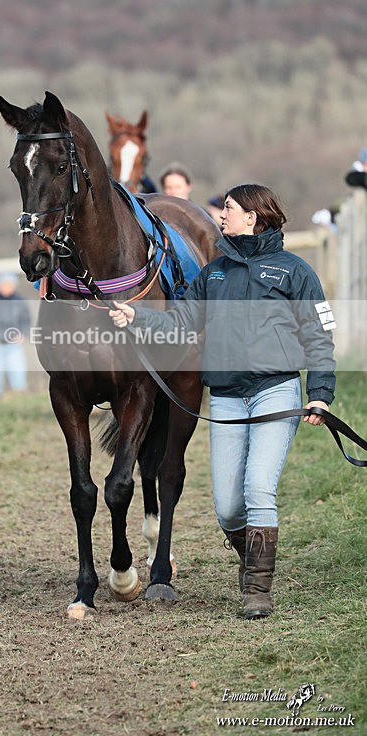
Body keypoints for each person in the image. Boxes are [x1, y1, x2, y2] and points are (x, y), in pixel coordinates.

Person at [109, 183, 336, 620]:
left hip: (276, 393)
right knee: (228, 506)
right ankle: (251, 556)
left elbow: (319, 335)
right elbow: (180, 321)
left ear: (252, 217)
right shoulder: (213, 274)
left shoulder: (295, 271)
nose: (222, 216)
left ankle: (256, 590)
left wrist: (320, 394)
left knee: (257, 490)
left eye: (229, 209)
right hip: (228, 398)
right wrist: (138, 316)